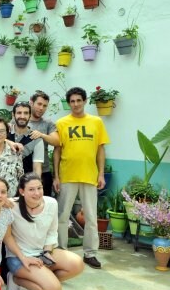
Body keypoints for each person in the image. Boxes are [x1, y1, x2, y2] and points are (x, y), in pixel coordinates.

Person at [53, 87, 110, 269]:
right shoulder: (61, 123)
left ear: (85, 101)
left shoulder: (96, 122)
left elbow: (101, 149)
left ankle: (90, 253)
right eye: (72, 101)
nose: (76, 104)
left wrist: (100, 173)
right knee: (62, 216)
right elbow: (57, 150)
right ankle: (61, 251)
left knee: (92, 217)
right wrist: (56, 176)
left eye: (79, 100)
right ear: (69, 103)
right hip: (67, 176)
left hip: (89, 176)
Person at [6, 173, 84, 290]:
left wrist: (47, 252)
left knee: (77, 264)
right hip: (19, 257)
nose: (37, 193)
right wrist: (23, 258)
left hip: (41, 253)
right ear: (22, 191)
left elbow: (52, 231)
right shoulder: (11, 206)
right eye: (31, 189)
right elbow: (7, 237)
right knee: (54, 289)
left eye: (39, 188)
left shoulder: (51, 203)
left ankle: (45, 282)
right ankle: (15, 279)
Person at [28, 91, 60, 196]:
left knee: (43, 204)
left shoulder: (48, 124)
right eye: (39, 104)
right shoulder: (20, 120)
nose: (41, 108)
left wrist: (41, 135)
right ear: (31, 103)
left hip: (44, 172)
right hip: (22, 171)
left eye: (45, 106)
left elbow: (56, 142)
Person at [8, 102, 44, 177]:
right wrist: (7, 141)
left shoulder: (36, 138)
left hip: (24, 183)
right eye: (19, 113)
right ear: (13, 115)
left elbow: (37, 167)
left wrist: (36, 186)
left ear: (30, 116)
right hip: (1, 183)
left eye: (26, 113)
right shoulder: (3, 132)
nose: (22, 116)